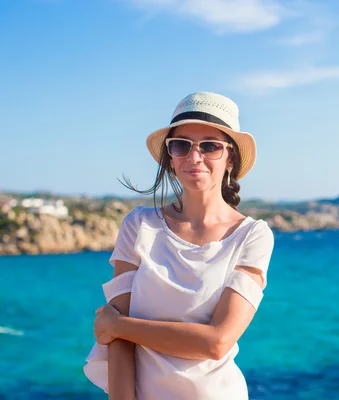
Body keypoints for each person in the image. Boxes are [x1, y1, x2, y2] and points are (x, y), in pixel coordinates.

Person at [83, 92, 275, 400]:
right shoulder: (138, 226)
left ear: (231, 159)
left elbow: (216, 343)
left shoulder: (252, 236)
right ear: (170, 158)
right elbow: (117, 341)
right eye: (181, 145)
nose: (194, 157)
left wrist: (120, 325)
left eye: (210, 146)